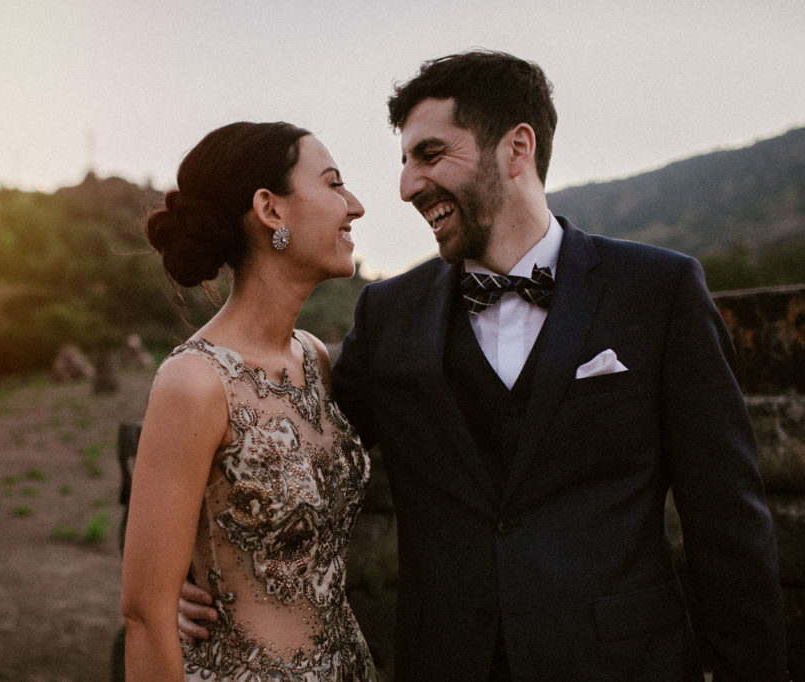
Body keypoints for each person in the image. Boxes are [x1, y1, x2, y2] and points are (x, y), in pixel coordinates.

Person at [178, 51, 788, 680]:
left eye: (430, 154)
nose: (407, 185)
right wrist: (185, 567)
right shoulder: (389, 314)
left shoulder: (658, 292)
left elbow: (727, 522)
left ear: (517, 148)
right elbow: (278, 445)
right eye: (405, 161)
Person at [120, 121, 377, 681]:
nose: (355, 206)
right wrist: (172, 589)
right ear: (270, 209)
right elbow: (145, 615)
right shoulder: (194, 382)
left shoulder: (314, 358)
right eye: (334, 184)